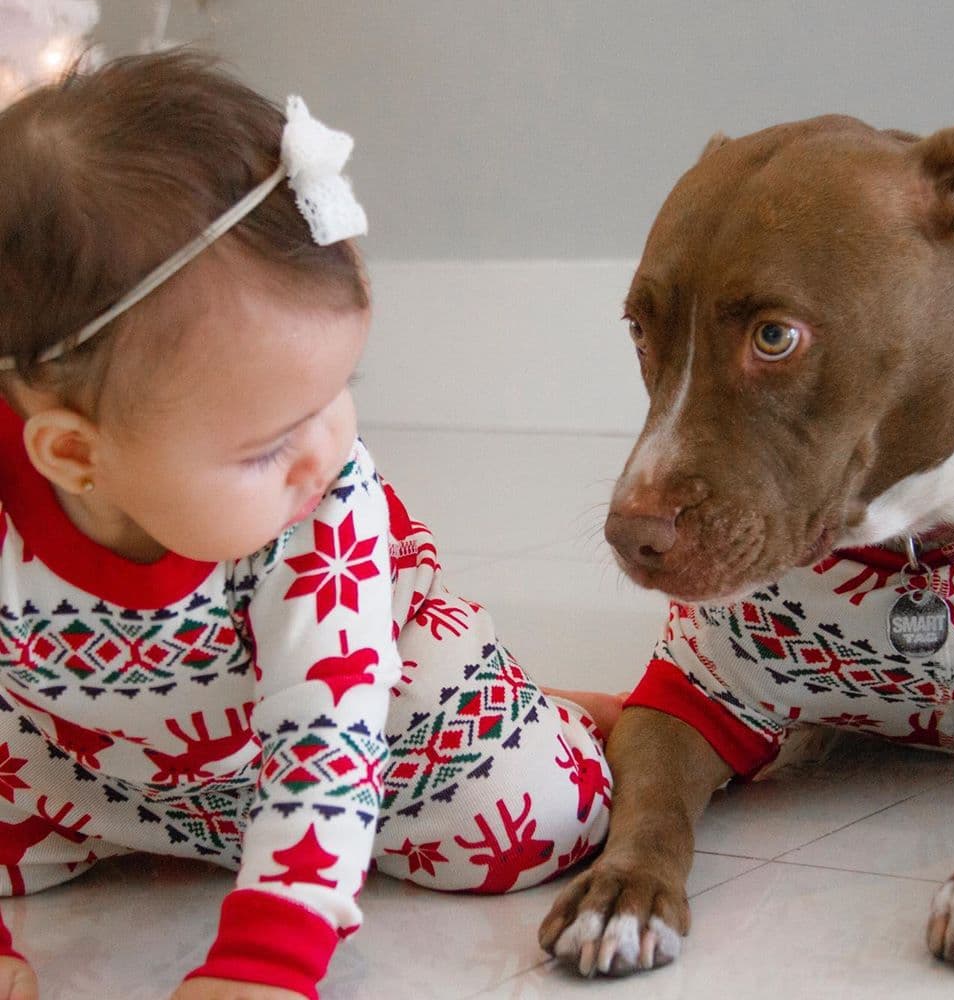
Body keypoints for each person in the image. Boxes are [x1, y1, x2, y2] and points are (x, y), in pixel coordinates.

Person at [0, 51, 616, 1000]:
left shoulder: (319, 500)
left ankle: (551, 711)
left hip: (369, 704)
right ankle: (209, 833)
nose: (327, 447)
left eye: (341, 394)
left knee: (542, 818)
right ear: (75, 458)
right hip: (94, 757)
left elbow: (325, 723)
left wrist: (267, 957)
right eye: (266, 443)